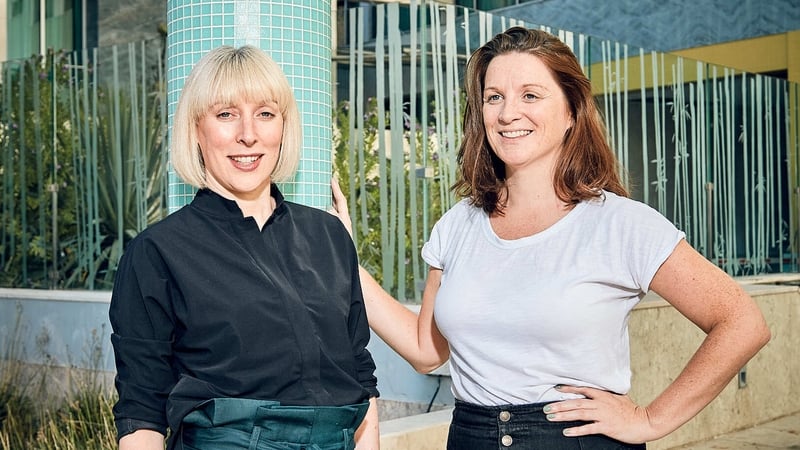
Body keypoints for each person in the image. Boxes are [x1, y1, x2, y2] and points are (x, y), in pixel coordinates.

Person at [332, 26, 771, 449]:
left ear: (570, 110)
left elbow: (741, 323)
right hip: (470, 436)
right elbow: (427, 351)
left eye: (530, 95)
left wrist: (651, 419)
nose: (508, 113)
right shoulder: (457, 226)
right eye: (493, 97)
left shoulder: (620, 224)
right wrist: (342, 261)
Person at [109, 45, 380, 450]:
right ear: (196, 129)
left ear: (283, 127)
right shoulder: (158, 253)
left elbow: (359, 377)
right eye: (225, 114)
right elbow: (142, 412)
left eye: (265, 114)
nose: (248, 134)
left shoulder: (329, 234)